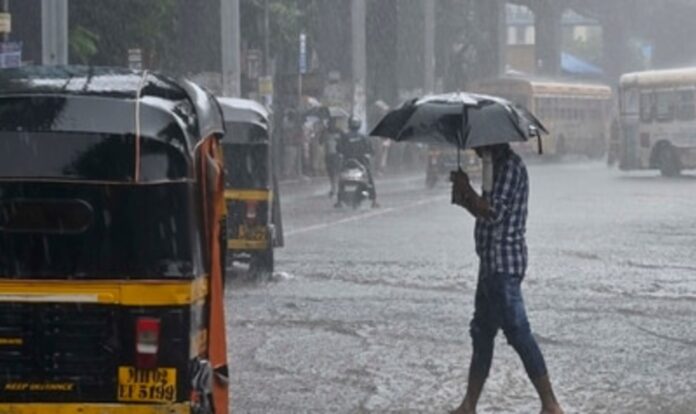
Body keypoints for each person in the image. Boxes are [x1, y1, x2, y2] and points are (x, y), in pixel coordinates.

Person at [450, 144, 563, 414]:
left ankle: (550, 404)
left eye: (479, 143)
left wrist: (468, 190)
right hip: (489, 263)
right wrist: (465, 197)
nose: (475, 148)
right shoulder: (494, 167)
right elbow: (484, 214)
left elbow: (493, 213)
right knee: (482, 333)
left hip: (503, 264)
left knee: (517, 331)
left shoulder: (509, 167)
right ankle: (469, 405)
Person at [336, 116, 379, 208]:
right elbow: (370, 149)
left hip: (347, 161)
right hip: (361, 161)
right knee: (369, 179)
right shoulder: (363, 137)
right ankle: (374, 200)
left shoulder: (345, 136)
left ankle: (339, 200)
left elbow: (338, 148)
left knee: (341, 179)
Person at [321, 117, 343, 197]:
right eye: (330, 123)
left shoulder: (339, 131)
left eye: (333, 123)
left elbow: (344, 141)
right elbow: (320, 142)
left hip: (337, 154)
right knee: (330, 172)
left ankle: (336, 187)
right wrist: (323, 134)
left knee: (337, 171)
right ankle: (333, 187)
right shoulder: (325, 131)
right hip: (328, 154)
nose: (332, 125)